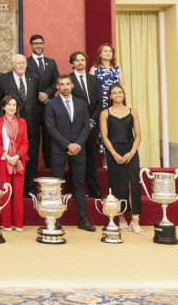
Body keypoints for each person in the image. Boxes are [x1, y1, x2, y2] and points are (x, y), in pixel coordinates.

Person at [44, 74, 96, 231]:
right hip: (59, 150)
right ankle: (56, 219)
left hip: (79, 149)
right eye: (62, 84)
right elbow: (50, 128)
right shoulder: (51, 104)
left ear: (72, 85)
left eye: (67, 84)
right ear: (58, 87)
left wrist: (77, 144)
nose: (65, 87)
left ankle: (83, 219)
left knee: (79, 184)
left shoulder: (81, 104)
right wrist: (68, 145)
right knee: (56, 186)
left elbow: (85, 127)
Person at [99, 84, 143, 234]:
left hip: (130, 151)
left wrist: (131, 152)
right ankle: (122, 217)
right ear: (110, 96)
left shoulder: (133, 112)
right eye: (114, 93)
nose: (118, 95)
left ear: (124, 95)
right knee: (118, 185)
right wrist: (114, 154)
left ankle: (135, 220)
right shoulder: (105, 113)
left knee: (133, 185)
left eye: (120, 92)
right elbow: (104, 136)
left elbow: (138, 136)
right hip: (113, 152)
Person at [0, 54, 41, 197]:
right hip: (11, 128)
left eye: (23, 63)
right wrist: (3, 125)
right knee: (12, 156)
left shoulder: (34, 78)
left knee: (31, 157)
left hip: (32, 125)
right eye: (18, 63)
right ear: (12, 65)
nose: (21, 66)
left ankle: (29, 187)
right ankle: (12, 189)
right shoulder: (3, 80)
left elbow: (35, 102)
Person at [0, 96, 29, 232]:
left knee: (18, 193)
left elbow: (25, 142)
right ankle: (6, 223)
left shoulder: (22, 122)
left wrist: (17, 156)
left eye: (14, 105)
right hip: (3, 161)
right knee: (5, 193)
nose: (12, 107)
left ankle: (18, 223)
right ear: (3, 107)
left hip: (19, 161)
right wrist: (6, 156)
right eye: (9, 104)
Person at [69, 51, 103, 198]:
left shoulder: (93, 79)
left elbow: (100, 102)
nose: (80, 62)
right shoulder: (67, 80)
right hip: (75, 127)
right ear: (72, 63)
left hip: (92, 126)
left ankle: (95, 189)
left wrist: (92, 121)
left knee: (90, 157)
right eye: (77, 60)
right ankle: (76, 190)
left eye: (82, 60)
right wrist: (82, 123)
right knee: (76, 159)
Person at [90, 43, 125, 169]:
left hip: (114, 104)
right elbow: (90, 89)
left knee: (115, 130)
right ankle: (104, 159)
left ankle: (112, 157)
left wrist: (123, 105)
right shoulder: (94, 69)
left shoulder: (117, 69)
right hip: (100, 104)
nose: (108, 53)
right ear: (100, 54)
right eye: (105, 51)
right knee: (102, 131)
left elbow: (122, 88)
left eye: (110, 51)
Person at [26, 34, 59, 167]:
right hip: (32, 107)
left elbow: (57, 81)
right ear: (31, 45)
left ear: (44, 44)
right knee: (32, 139)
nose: (38, 45)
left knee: (49, 138)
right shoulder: (26, 62)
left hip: (49, 106)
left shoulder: (51, 62)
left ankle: (49, 168)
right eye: (35, 43)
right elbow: (25, 83)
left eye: (40, 43)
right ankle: (31, 169)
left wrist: (47, 94)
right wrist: (37, 95)